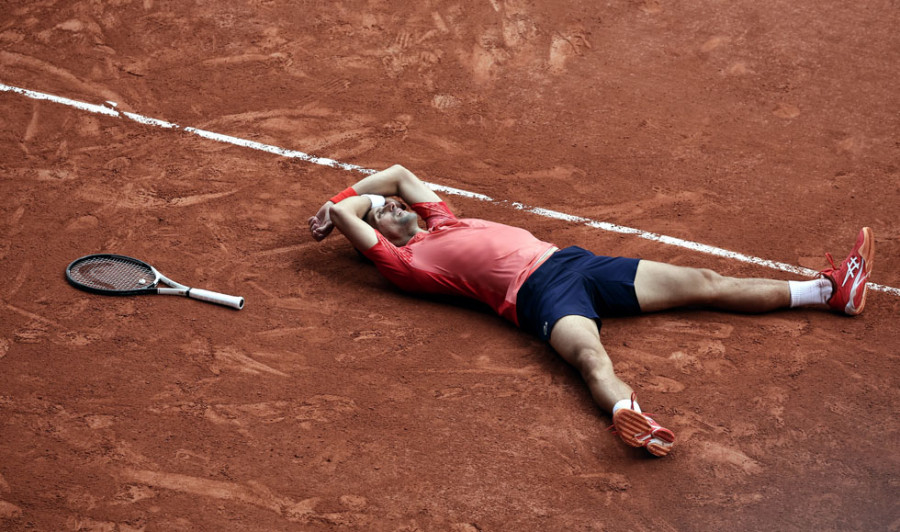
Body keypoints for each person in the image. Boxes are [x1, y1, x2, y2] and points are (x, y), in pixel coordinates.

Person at [307, 165, 875, 457]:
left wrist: (346, 196)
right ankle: (636, 420)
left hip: (579, 264)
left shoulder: (444, 222)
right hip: (540, 299)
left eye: (399, 204)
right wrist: (347, 208)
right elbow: (352, 215)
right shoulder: (408, 264)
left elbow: (400, 172)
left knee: (704, 281)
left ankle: (828, 293)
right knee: (589, 359)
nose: (397, 202)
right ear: (376, 237)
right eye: (386, 211)